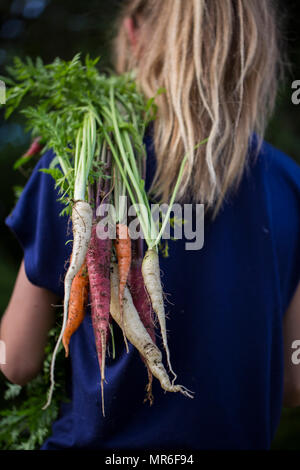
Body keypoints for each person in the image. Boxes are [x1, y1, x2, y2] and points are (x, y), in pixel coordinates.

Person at [1, 0, 300, 450]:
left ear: (134, 35)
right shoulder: (287, 184)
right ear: (255, 48)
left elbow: (16, 361)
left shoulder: (77, 172)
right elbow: (293, 384)